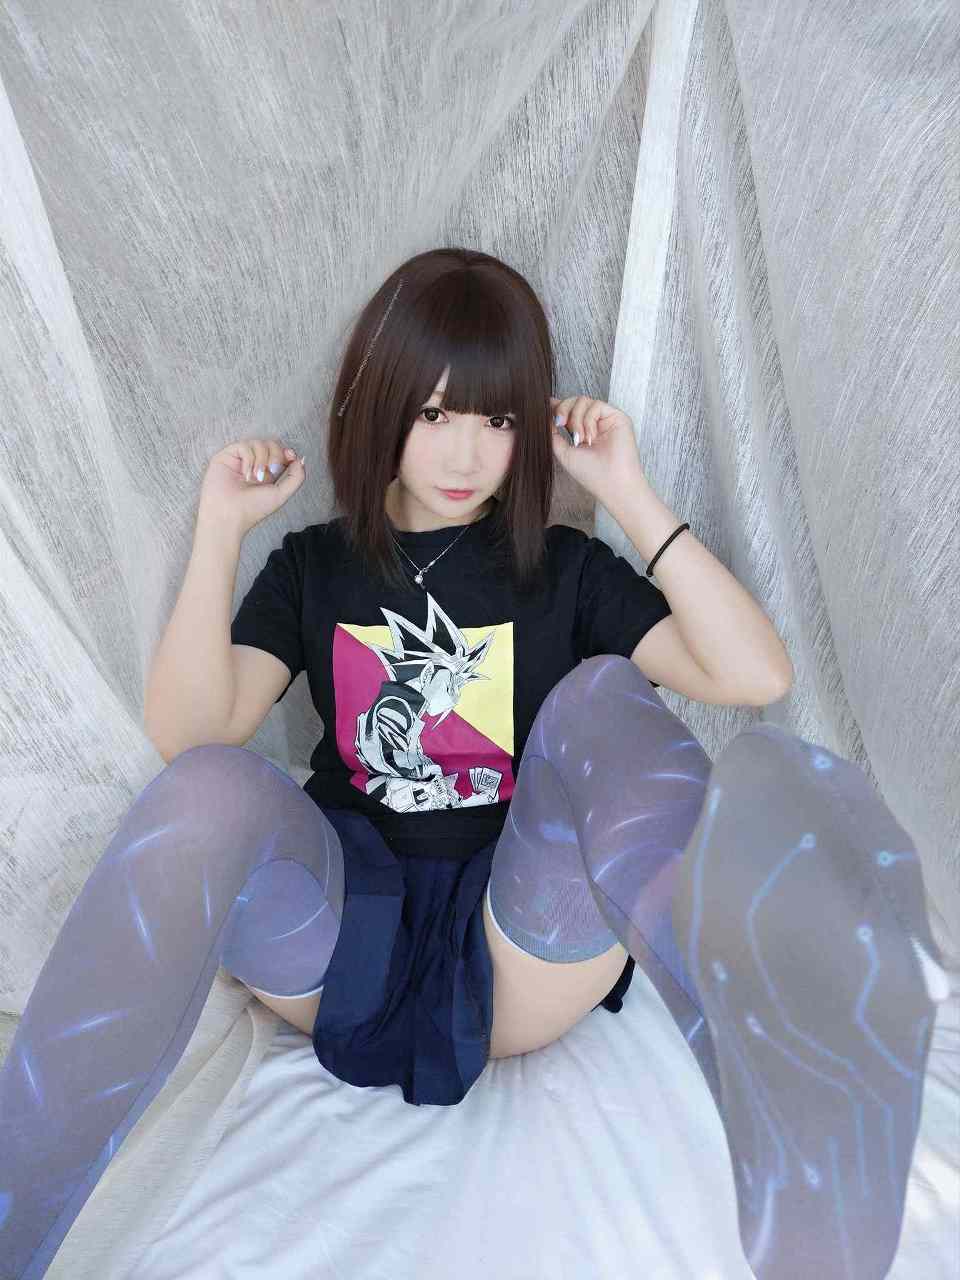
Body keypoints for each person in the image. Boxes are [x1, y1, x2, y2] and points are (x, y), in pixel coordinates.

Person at [0, 248, 949, 1280]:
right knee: (209, 788)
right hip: (339, 943)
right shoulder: (315, 566)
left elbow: (753, 672)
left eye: (497, 419)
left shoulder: (563, 567)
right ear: (381, 405)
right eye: (435, 413)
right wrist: (220, 530)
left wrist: (625, 489)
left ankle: (783, 1076)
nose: (467, 452)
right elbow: (192, 732)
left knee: (601, 698)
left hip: (518, 949)